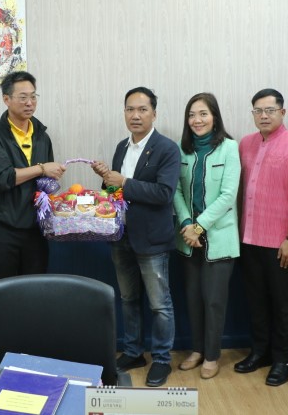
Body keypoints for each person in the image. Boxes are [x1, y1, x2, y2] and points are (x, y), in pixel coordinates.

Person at [91, 87, 180, 387]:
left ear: (154, 113)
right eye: (130, 109)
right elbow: (114, 192)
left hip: (152, 239)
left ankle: (162, 359)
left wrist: (124, 182)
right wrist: (106, 179)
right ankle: (133, 352)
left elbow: (164, 193)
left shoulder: (167, 148)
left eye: (142, 109)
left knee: (159, 304)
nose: (136, 115)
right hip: (121, 236)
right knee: (128, 299)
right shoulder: (121, 147)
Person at [236, 88, 288, 387]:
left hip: (280, 241)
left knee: (283, 304)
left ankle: (283, 360)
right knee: (255, 300)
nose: (264, 115)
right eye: (258, 110)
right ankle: (261, 352)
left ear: (283, 112)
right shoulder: (246, 143)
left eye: (270, 110)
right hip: (248, 237)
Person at [172, 93, 240, 380]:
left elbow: (228, 195)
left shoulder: (229, 148)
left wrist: (198, 227)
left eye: (203, 114)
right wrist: (187, 224)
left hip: (219, 237)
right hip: (188, 238)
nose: (197, 120)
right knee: (193, 298)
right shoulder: (181, 149)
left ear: (215, 117)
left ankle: (212, 355)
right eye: (192, 115)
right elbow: (175, 190)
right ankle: (197, 350)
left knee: (213, 300)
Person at [0, 71, 65, 281]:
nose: (29, 103)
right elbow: (1, 178)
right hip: (2, 229)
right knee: (2, 290)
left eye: (33, 96)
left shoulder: (42, 136)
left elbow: (46, 183)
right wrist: (41, 168)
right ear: (6, 99)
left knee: (34, 290)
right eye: (23, 97)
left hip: (36, 230)